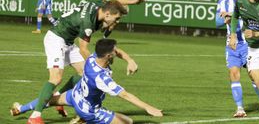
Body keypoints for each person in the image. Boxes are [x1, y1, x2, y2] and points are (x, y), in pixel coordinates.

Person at [14, 0, 147, 124]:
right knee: (56, 78)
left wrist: (134, 2)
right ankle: (35, 116)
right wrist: (97, 68)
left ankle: (58, 99)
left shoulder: (100, 7)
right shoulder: (87, 23)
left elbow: (114, 2)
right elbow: (84, 49)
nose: (116, 21)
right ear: (107, 15)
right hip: (56, 38)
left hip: (68, 41)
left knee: (83, 73)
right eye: (116, 18)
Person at [12, 39, 163, 124]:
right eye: (114, 53)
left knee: (50, 100)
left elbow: (116, 51)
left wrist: (129, 60)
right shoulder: (102, 78)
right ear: (109, 56)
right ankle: (83, 121)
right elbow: (125, 95)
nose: (117, 53)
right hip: (89, 109)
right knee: (127, 122)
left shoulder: (92, 57)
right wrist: (149, 108)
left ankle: (20, 109)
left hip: (75, 95)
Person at [215, 0, 259, 118]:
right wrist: (224, 18)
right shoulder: (223, 1)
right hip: (231, 46)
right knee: (233, 74)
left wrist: (231, 15)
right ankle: (240, 108)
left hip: (249, 44)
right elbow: (217, 22)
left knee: (254, 76)